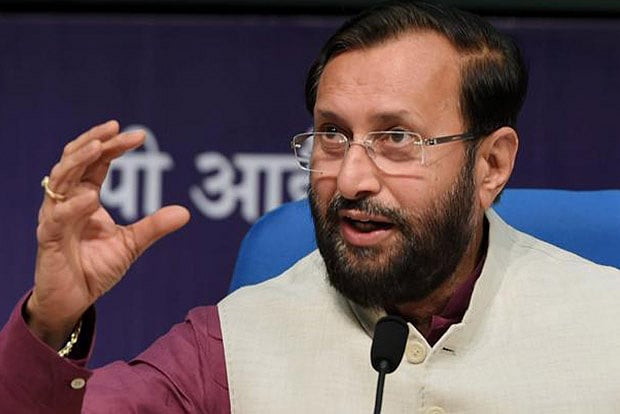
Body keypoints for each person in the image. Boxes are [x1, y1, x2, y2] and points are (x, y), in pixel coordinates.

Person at [1, 1, 619, 412]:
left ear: (491, 165)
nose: (351, 178)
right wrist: (52, 320)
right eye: (333, 135)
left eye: (396, 139)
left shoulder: (606, 326)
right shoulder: (228, 348)